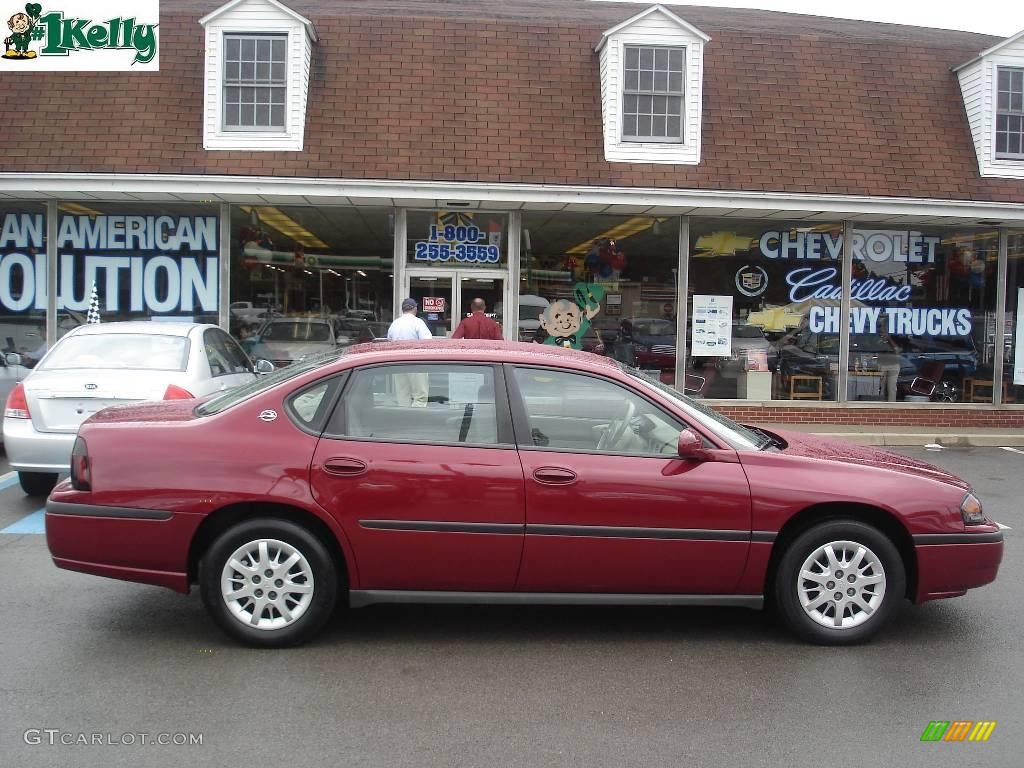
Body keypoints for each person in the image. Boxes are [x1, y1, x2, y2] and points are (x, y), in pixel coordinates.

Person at [387, 297, 432, 407]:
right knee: (420, 397)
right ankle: (416, 420)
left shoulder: (395, 323)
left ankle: (404, 419)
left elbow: (389, 341)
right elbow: (428, 342)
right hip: (416, 363)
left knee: (402, 395)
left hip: (398, 363)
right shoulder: (418, 322)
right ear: (415, 308)